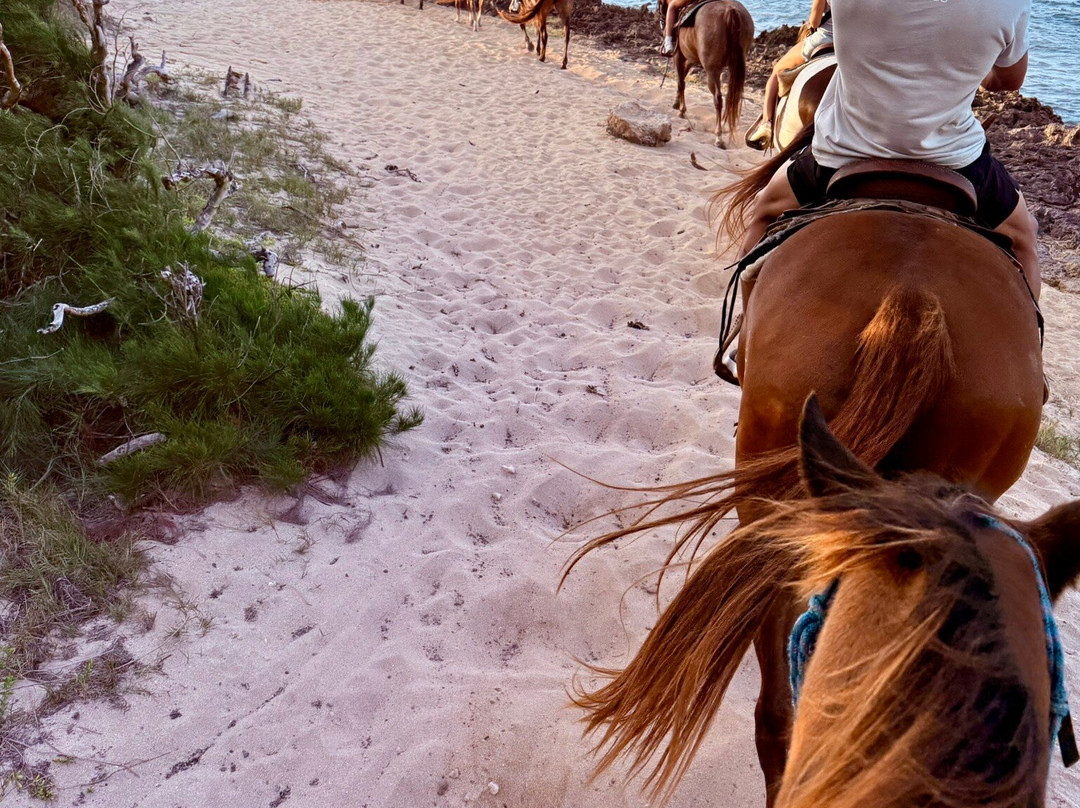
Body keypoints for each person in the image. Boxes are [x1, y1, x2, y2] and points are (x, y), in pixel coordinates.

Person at [716, 0, 1039, 385]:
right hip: (955, 161)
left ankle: (747, 336)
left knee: (764, 212)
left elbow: (823, 21)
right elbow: (1008, 80)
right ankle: (1032, 363)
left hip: (844, 152)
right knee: (1024, 239)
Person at [746, 0, 833, 149]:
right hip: (852, 45)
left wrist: (811, 23)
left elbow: (815, 22)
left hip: (824, 39)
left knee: (777, 70)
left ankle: (766, 123)